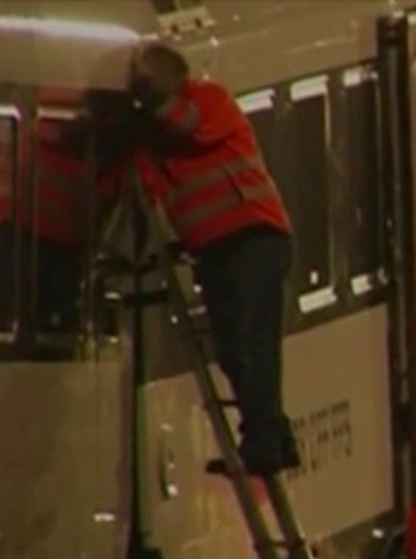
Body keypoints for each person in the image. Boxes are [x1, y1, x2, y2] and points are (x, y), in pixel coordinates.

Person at [126, 43, 299, 477]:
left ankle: (262, 443)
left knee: (252, 344)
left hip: (254, 237)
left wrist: (152, 105)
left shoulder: (210, 100)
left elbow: (194, 127)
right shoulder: (150, 142)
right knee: (233, 350)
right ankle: (274, 438)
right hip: (214, 248)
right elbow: (149, 190)